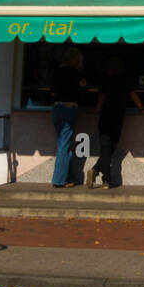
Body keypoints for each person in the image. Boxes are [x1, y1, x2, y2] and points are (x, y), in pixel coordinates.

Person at [89, 56, 144, 189]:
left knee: (106, 147)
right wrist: (141, 108)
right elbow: (133, 94)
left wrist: (97, 109)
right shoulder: (124, 80)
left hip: (105, 116)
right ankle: (105, 179)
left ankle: (97, 170)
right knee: (111, 146)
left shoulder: (105, 80)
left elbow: (101, 97)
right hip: (118, 117)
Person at [51, 46, 87, 188]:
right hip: (69, 108)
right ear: (76, 59)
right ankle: (59, 180)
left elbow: (52, 92)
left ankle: (71, 177)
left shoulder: (56, 72)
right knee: (64, 145)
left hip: (57, 108)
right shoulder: (76, 73)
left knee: (63, 143)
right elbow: (84, 87)